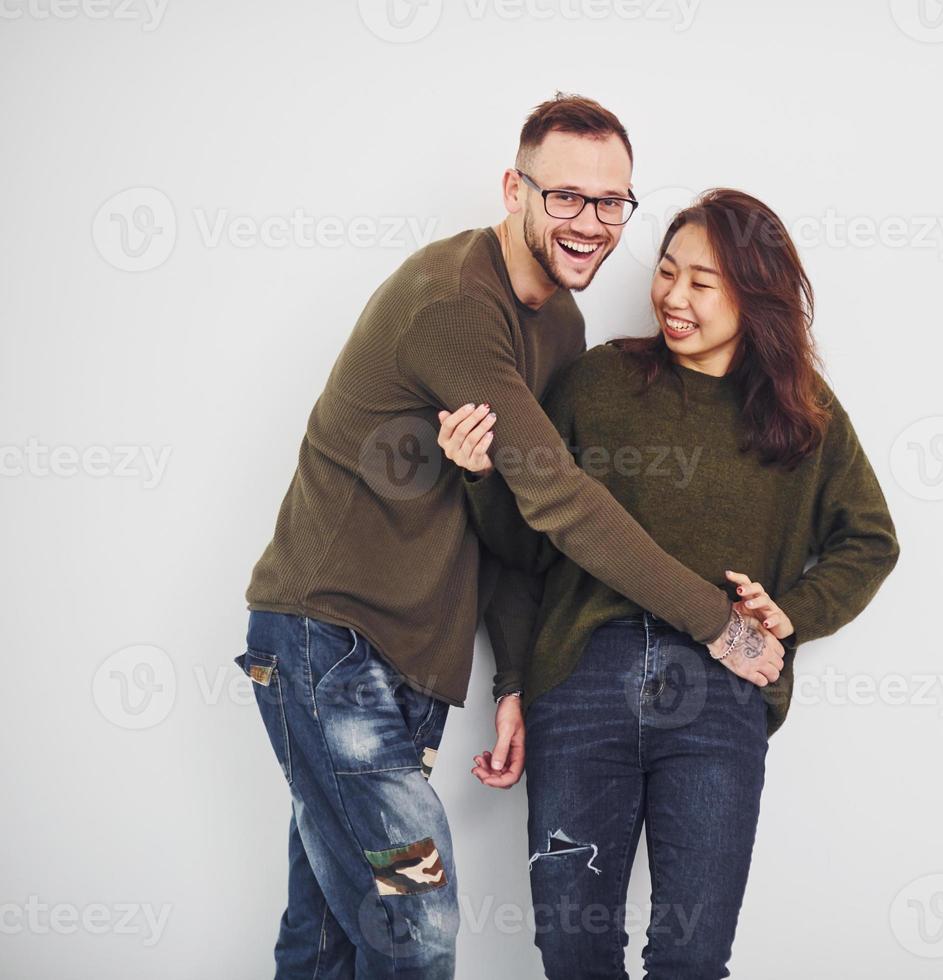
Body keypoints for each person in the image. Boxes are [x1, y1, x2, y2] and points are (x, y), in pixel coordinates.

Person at [239, 96, 783, 979]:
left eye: (612, 202)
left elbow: (516, 530)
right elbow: (564, 500)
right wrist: (714, 620)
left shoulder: (560, 327)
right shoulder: (454, 303)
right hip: (326, 649)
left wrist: (514, 679)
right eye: (565, 196)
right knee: (418, 919)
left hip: (409, 668)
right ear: (513, 189)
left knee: (330, 930)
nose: (590, 223)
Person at [439, 189, 901, 979]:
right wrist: (482, 476)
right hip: (582, 682)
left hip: (722, 692)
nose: (673, 299)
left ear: (755, 297)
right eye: (666, 272)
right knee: (573, 952)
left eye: (703, 284)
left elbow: (871, 539)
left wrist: (790, 613)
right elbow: (525, 544)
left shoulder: (803, 414)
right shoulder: (598, 381)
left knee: (692, 957)